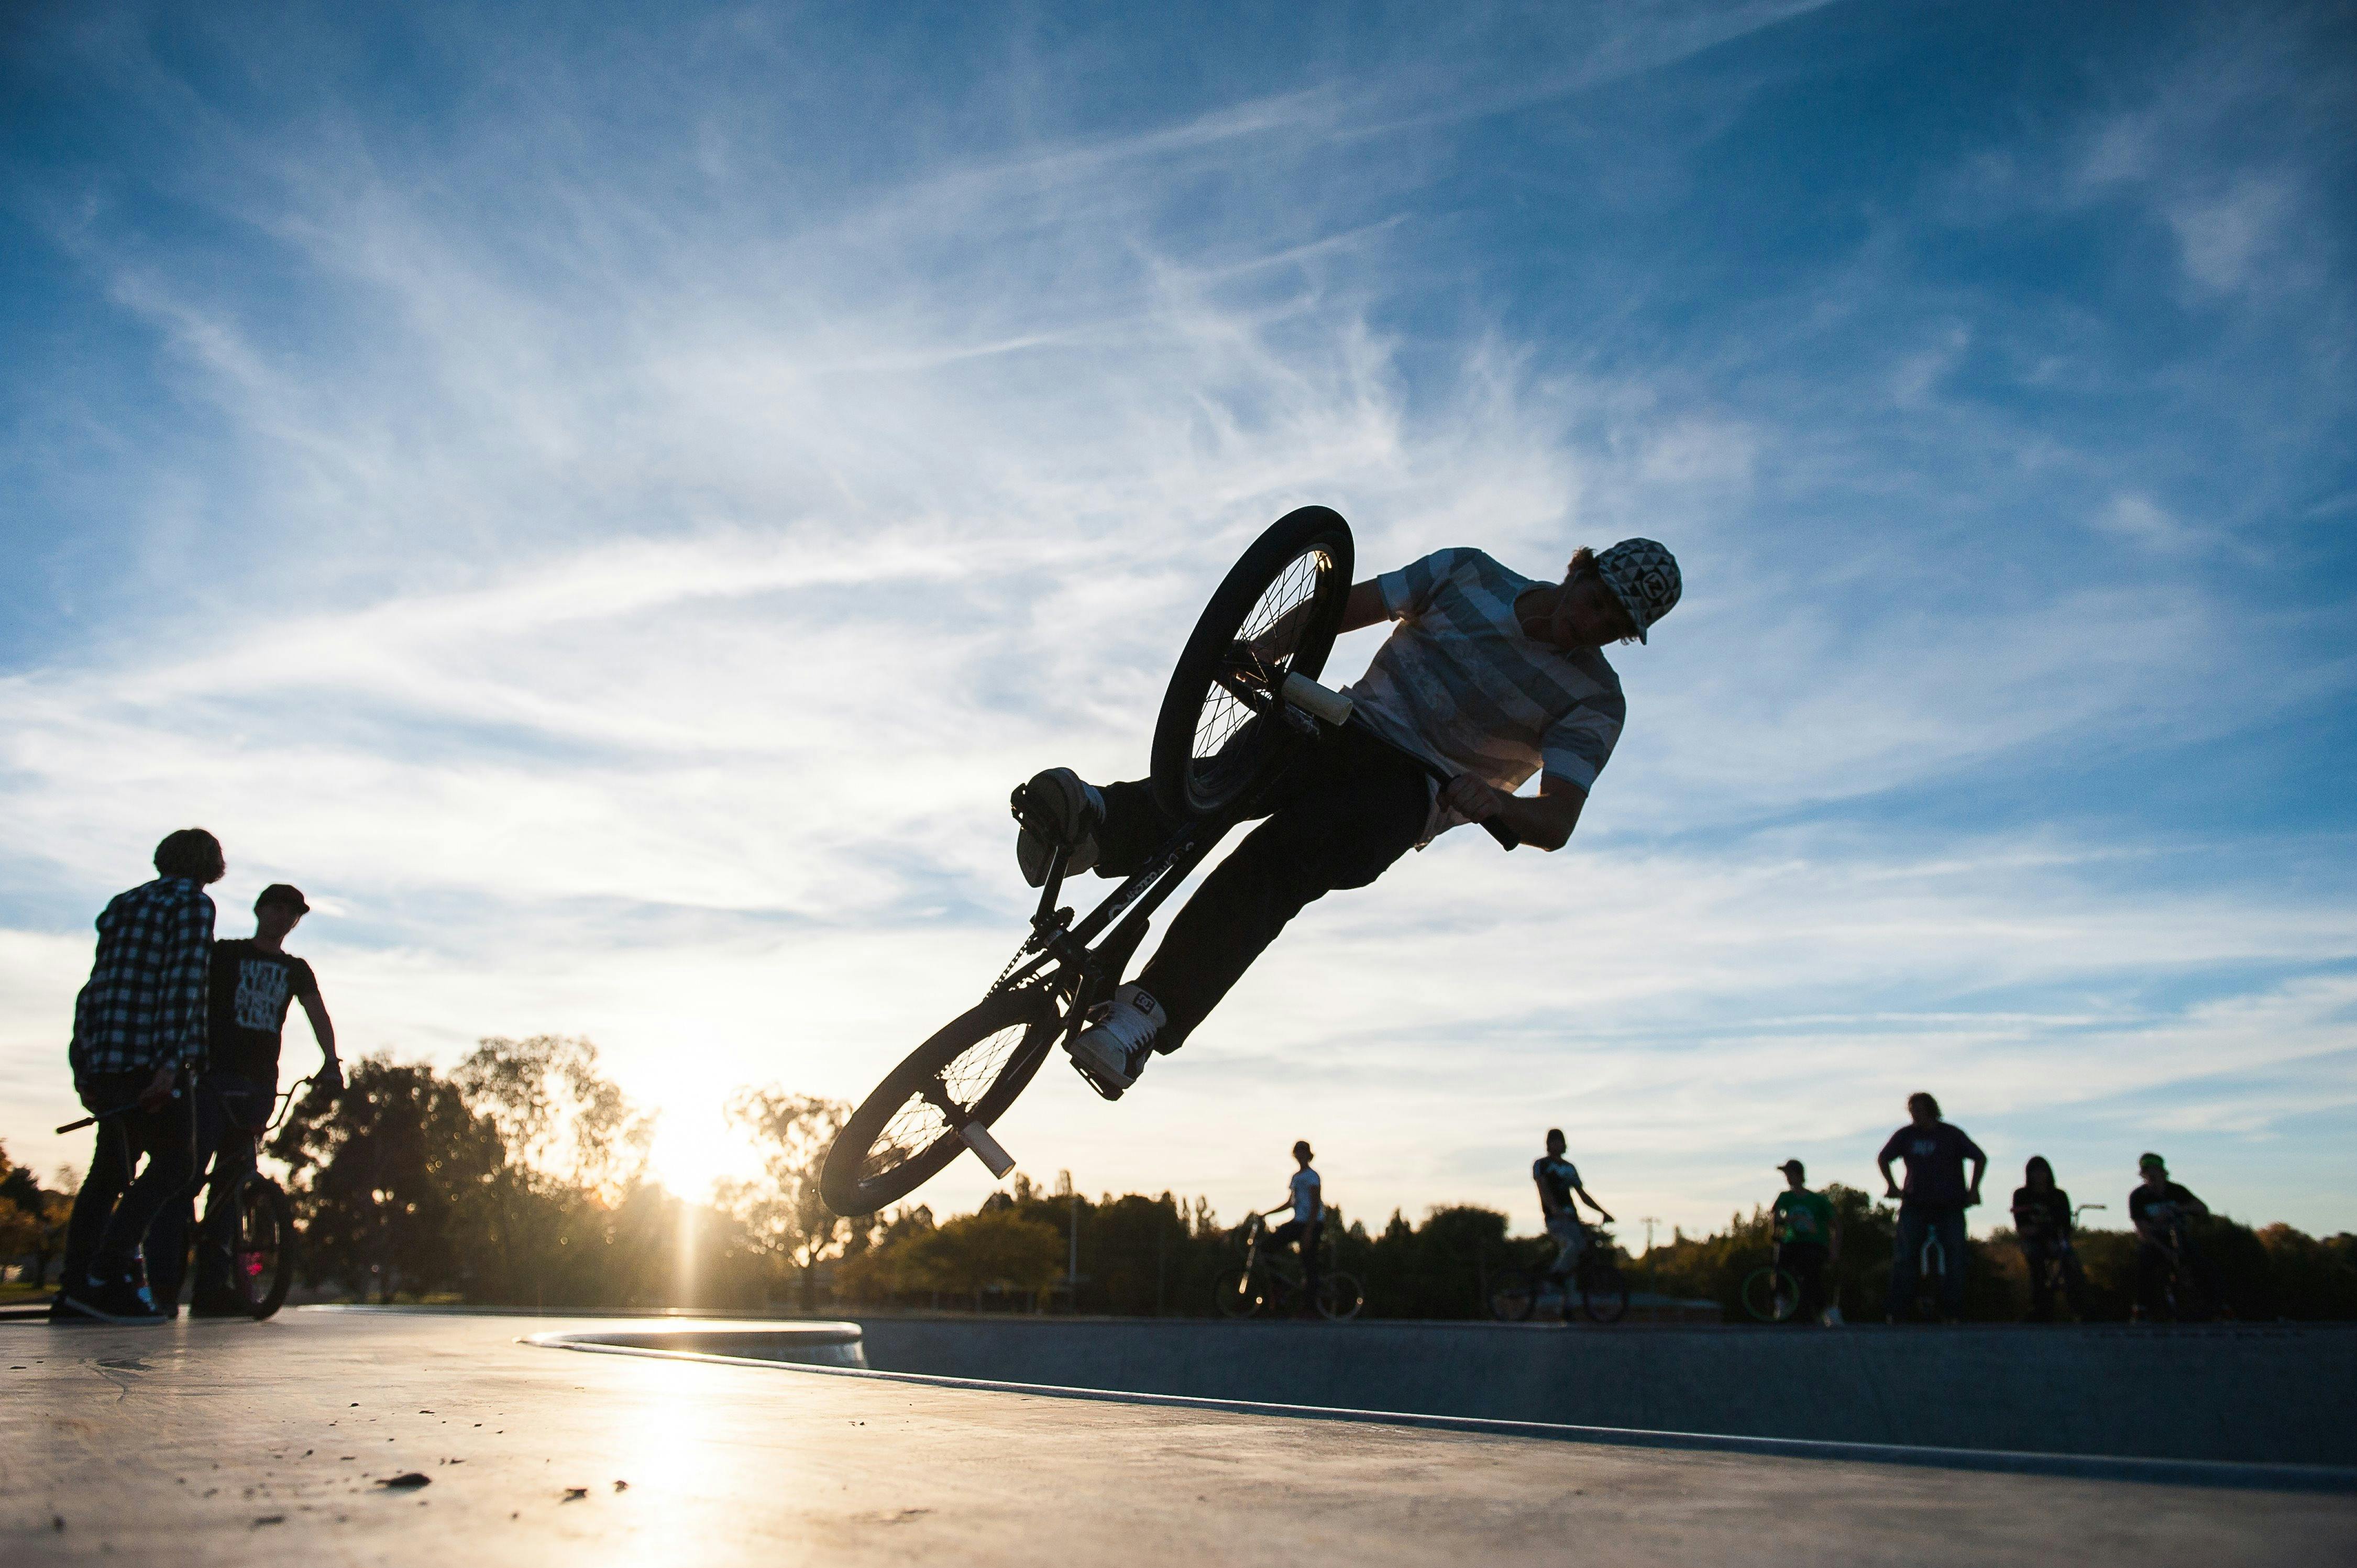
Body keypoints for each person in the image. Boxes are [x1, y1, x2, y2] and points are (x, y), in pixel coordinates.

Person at [1013, 538, 1681, 1098]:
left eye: (1615, 626)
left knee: (1281, 861)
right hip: (1345, 721)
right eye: (1597, 600)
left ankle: (1145, 1014)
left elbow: (1557, 820)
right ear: (1578, 569)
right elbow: (1342, 609)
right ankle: (1095, 828)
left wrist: (1499, 802)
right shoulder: (1468, 573)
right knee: (1226, 779)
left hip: (1412, 789)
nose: (1592, 625)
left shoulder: (1596, 700)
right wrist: (1265, 650)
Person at [148, 885, 343, 1317]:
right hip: (211, 1077)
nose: (282, 917)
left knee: (233, 1183)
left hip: (259, 1084)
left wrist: (331, 1061)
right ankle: (162, 1285)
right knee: (186, 1174)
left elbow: (318, 1014)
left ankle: (213, 1289)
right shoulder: (225, 954)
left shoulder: (296, 970)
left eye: (291, 913)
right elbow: (186, 995)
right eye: (276, 908)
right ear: (259, 910)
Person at [54, 830, 224, 1323]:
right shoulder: (192, 905)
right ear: (211, 867)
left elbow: (95, 987)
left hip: (107, 1058)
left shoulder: (123, 905)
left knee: (108, 1173)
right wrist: (170, 1065)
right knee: (175, 1165)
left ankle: (75, 1288)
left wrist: (83, 1063)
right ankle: (108, 1273)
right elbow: (183, 985)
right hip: (153, 1062)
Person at [1876, 1091, 1986, 1323]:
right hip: (1915, 1203)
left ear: (1931, 1110)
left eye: (1918, 1110)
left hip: (1949, 1204)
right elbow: (1884, 1157)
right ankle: (1899, 1310)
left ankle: (1953, 1311)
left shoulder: (1951, 1135)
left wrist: (1974, 1189)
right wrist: (1892, 1186)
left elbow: (1979, 1157)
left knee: (1956, 1255)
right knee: (1905, 1256)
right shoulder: (1906, 1135)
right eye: (1912, 1111)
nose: (1915, 1115)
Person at [2128, 1153, 2212, 1322]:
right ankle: (2141, 1308)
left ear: (2163, 1172)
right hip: (2154, 1241)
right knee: (2144, 1263)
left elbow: (2202, 1208)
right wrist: (2165, 1250)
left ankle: (2216, 1306)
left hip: (2180, 1236)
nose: (2152, 1176)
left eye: (2155, 1171)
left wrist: (2179, 1210)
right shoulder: (2138, 1196)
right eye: (2147, 1172)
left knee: (2202, 1262)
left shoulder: (2177, 1191)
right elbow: (2142, 1231)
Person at [2009, 1156, 2090, 1322]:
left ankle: (2081, 1308)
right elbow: (2022, 1226)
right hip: (2032, 1240)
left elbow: (2065, 1225)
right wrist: (2040, 1231)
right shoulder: (2022, 1195)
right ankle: (2040, 1308)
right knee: (2036, 1259)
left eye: (2042, 1171)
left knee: (2070, 1261)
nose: (2039, 1175)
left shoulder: (2059, 1196)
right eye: (2035, 1172)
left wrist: (2051, 1234)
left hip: (2056, 1239)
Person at [1533, 1128, 1614, 1287]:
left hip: (1572, 1218)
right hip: (1555, 1218)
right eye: (1554, 1142)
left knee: (1578, 1256)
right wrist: (1554, 1208)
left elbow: (1583, 1195)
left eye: (1560, 1141)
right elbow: (1543, 1189)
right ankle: (1551, 1280)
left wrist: (1603, 1212)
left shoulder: (1570, 1168)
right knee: (1570, 1247)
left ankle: (1567, 1297)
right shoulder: (1542, 1164)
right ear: (1549, 1144)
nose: (1557, 1145)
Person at [1770, 1160, 1840, 1326]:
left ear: (1799, 1175)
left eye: (1791, 1174)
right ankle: (1781, 1301)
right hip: (1793, 1242)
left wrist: (1834, 1249)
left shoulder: (1818, 1200)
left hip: (1814, 1243)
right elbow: (1776, 1217)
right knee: (1780, 1266)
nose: (1788, 1178)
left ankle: (1825, 1311)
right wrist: (1780, 1226)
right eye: (1787, 1175)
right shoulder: (1785, 1197)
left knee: (1811, 1274)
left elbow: (1836, 1225)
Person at [1265, 1140, 1325, 1316]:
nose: (1300, 1155)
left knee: (1309, 1262)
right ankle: (1279, 1288)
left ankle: (1310, 1308)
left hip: (1312, 1223)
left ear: (1308, 1155)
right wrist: (1267, 1214)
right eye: (1298, 1152)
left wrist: (1308, 1231)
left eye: (1303, 1152)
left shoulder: (1312, 1177)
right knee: (1267, 1248)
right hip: (1298, 1222)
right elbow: (1291, 1203)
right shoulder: (1296, 1177)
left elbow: (1315, 1205)